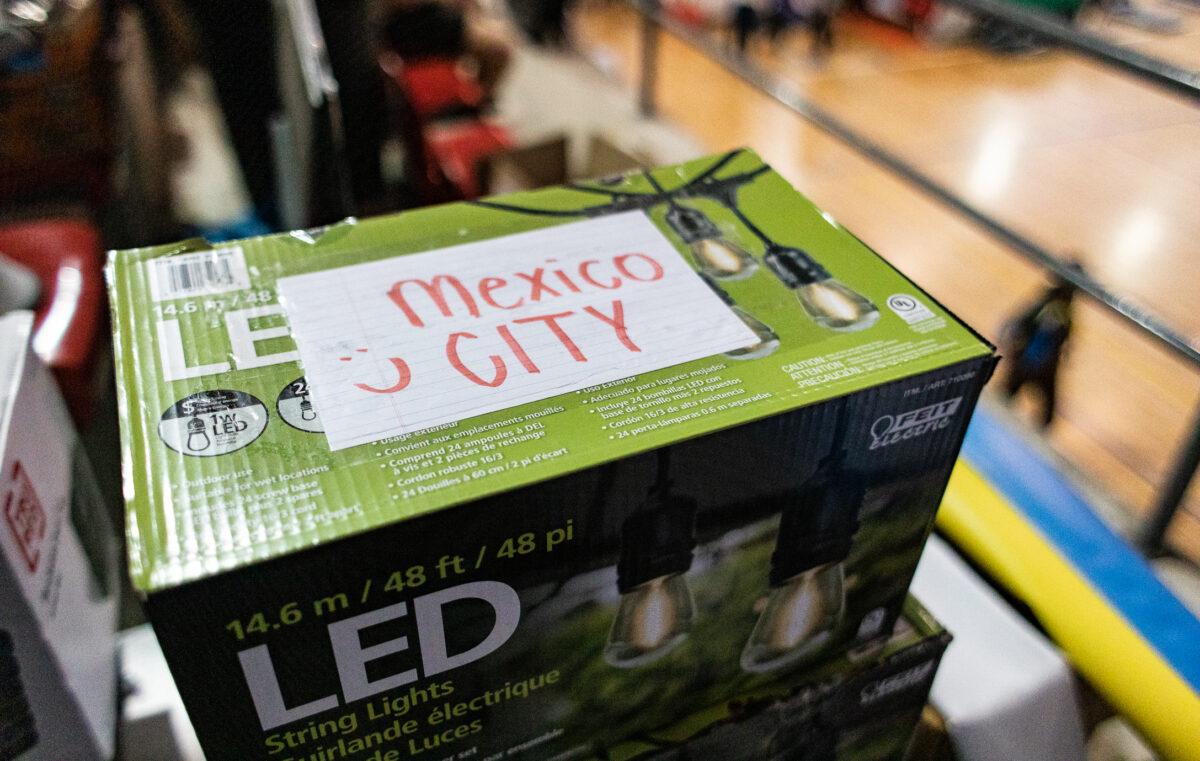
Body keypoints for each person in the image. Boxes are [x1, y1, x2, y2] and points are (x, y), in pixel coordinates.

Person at [999, 268, 1080, 428]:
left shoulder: (1063, 307)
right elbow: (1021, 321)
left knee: (1043, 413)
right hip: (1030, 363)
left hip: (1039, 365)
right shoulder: (1050, 302)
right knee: (1005, 397)